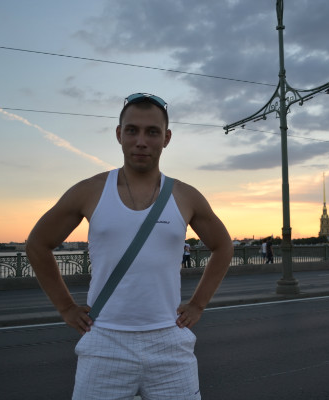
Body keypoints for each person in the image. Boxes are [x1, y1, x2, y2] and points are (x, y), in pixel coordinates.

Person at [25, 92, 233, 400]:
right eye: (132, 130)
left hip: (169, 341)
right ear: (119, 134)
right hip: (105, 340)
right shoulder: (91, 191)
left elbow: (223, 246)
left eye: (152, 132)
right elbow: (37, 243)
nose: (141, 141)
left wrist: (198, 304)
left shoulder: (185, 196)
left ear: (166, 138)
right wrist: (66, 308)